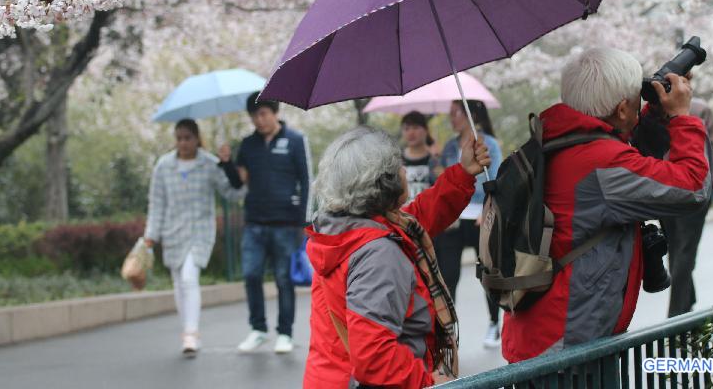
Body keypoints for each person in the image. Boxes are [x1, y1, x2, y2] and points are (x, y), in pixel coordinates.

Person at [501, 47, 712, 363]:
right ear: (624, 109)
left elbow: (628, 152)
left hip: (538, 334)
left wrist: (656, 115)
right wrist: (682, 117)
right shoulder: (601, 163)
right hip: (566, 349)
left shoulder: (556, 142)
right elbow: (692, 187)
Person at [303, 126, 491, 388]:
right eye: (399, 165)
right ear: (382, 180)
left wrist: (462, 173)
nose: (405, 171)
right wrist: (427, 381)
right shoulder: (376, 253)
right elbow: (374, 357)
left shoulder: (345, 229)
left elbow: (420, 216)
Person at [144, 119, 246, 357]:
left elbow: (233, 193)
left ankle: (191, 332)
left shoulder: (209, 164)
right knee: (179, 283)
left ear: (197, 138)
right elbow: (157, 204)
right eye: (179, 138)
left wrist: (228, 165)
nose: (183, 143)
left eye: (187, 138)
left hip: (200, 232)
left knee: (190, 278)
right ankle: (187, 331)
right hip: (173, 232)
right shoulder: (163, 166)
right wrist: (151, 236)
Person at [219, 93, 311, 354]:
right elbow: (239, 182)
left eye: (264, 114)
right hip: (254, 222)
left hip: (286, 223)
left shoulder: (295, 140)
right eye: (254, 116)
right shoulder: (247, 145)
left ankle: (285, 333)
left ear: (275, 112)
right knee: (251, 274)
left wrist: (305, 221)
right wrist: (226, 164)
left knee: (284, 279)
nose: (259, 120)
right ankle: (258, 329)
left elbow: (306, 181)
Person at [435, 99, 503, 347]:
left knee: (487, 273)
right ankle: (448, 330)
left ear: (470, 115)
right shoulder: (449, 147)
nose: (452, 118)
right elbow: (445, 179)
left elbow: (494, 181)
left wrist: (486, 211)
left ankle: (495, 323)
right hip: (453, 218)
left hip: (478, 217)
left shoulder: (490, 145)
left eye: (455, 113)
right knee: (448, 276)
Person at [659, 97, 713, 317]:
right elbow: (712, 147)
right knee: (686, 250)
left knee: (675, 245)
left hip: (663, 188)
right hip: (693, 189)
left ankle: (687, 297)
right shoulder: (701, 109)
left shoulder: (658, 108)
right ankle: (677, 311)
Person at [401, 111, 440, 203]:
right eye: (406, 129)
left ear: (426, 130)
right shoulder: (397, 160)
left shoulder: (435, 160)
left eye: (415, 127)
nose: (411, 132)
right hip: (404, 214)